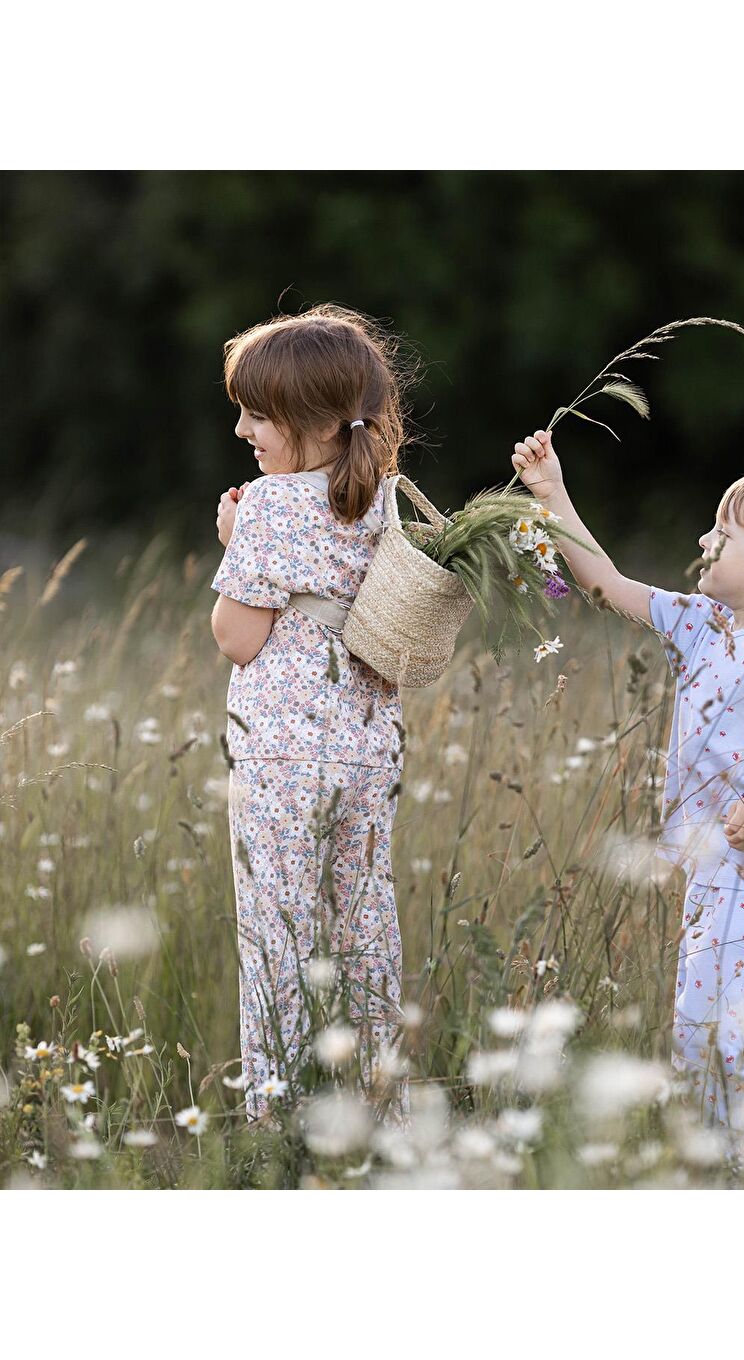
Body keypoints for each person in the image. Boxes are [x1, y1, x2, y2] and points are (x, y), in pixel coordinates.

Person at [511, 428, 744, 1161]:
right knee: (695, 1017)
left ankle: (728, 1167)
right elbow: (606, 584)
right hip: (706, 859)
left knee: (714, 1022)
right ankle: (711, 1155)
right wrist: (552, 492)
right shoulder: (703, 624)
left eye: (722, 531)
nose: (702, 539)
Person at [210, 303, 409, 1123]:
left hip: (282, 758)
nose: (244, 432)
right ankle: (386, 1105)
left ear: (313, 422)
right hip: (369, 747)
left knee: (278, 935)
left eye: (258, 415)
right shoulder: (387, 503)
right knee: (366, 924)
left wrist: (233, 543)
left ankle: (272, 1115)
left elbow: (238, 638)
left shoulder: (265, 506)